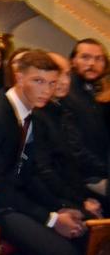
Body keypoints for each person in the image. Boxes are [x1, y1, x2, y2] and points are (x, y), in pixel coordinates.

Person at [0, 50, 87, 255]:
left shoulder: (29, 114)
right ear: (19, 78)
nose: (46, 90)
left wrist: (59, 206)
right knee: (63, 251)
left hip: (12, 197)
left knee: (86, 229)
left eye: (52, 83)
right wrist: (51, 219)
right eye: (38, 81)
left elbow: (28, 173)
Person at [32, 53, 104, 218]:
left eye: (67, 74)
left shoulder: (61, 110)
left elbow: (73, 159)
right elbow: (44, 171)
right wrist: (80, 202)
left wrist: (84, 197)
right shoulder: (37, 114)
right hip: (50, 199)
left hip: (73, 189)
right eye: (58, 75)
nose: (64, 81)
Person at [62, 38, 109, 194]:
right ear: (73, 61)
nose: (92, 64)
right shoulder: (66, 93)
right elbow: (74, 148)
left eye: (98, 59)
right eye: (85, 57)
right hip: (82, 177)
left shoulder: (97, 90)